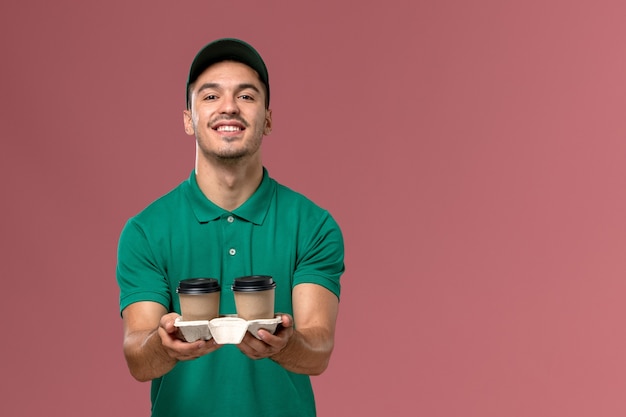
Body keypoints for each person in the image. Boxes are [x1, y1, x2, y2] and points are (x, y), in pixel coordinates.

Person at [115, 38, 345, 417]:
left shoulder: (313, 225)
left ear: (268, 118)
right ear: (188, 119)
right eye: (209, 97)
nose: (228, 107)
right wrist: (163, 345)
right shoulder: (145, 231)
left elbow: (318, 348)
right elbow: (138, 358)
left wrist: (286, 346)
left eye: (247, 96)